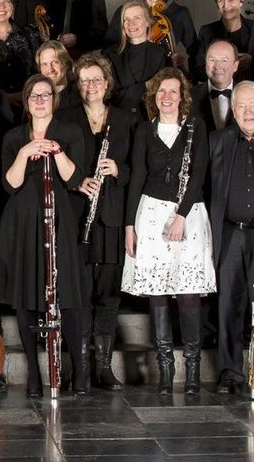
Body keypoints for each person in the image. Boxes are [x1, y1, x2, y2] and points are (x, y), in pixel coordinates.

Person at [0, 74, 88, 397]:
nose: (39, 100)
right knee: (26, 297)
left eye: (45, 95)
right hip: (21, 224)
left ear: (54, 99)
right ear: (27, 100)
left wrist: (56, 152)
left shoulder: (70, 132)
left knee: (68, 294)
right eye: (33, 95)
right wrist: (25, 153)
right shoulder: (14, 137)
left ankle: (78, 369)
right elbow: (10, 184)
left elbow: (74, 178)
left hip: (58, 220)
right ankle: (34, 374)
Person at [122, 67, 214, 394]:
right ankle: (165, 370)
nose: (167, 97)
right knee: (158, 294)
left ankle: (191, 369)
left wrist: (181, 215)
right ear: (154, 96)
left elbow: (199, 173)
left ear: (182, 96)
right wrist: (130, 226)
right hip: (150, 214)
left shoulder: (196, 127)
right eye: (161, 91)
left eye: (173, 91)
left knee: (188, 293)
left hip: (187, 215)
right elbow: (136, 179)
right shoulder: (144, 131)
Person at [57, 54, 132, 391]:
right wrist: (77, 182)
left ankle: (103, 366)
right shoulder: (66, 117)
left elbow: (137, 167)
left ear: (107, 83)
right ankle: (80, 367)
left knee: (108, 295)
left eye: (96, 79)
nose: (90, 86)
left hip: (111, 217)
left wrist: (118, 170)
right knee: (79, 295)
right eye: (84, 80)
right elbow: (56, 164)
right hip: (77, 215)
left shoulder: (124, 119)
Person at [209, 82, 254, 394]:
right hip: (229, 234)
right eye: (242, 106)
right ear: (233, 110)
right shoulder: (218, 141)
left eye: (253, 105)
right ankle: (231, 374)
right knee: (228, 304)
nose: (248, 112)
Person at [104, 0, 169, 124]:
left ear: (148, 22)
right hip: (119, 123)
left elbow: (162, 93)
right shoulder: (109, 54)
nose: (131, 24)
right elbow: (111, 96)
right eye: (126, 19)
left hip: (150, 123)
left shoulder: (161, 53)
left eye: (137, 18)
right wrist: (146, 86)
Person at [196, 0, 253, 81]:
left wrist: (251, 61)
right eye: (221, 1)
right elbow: (199, 71)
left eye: (231, 0)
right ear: (217, 5)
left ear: (241, 0)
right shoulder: (206, 32)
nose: (226, 6)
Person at [192, 40, 239, 131]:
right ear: (205, 63)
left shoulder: (251, 95)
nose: (217, 66)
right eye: (212, 59)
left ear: (235, 66)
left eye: (224, 60)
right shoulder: (189, 95)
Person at [36, 40, 80, 109]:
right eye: (44, 64)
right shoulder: (35, 99)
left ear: (67, 64)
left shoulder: (79, 99)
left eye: (55, 62)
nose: (50, 69)